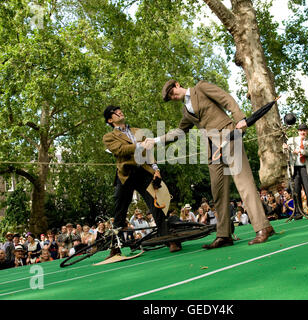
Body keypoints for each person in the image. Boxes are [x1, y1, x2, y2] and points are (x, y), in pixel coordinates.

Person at [147, 79, 275, 249]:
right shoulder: (186, 112)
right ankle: (224, 235)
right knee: (218, 190)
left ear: (177, 85)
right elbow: (179, 132)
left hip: (229, 135)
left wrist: (240, 120)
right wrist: (155, 140)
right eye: (171, 97)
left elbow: (226, 99)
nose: (174, 97)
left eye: (172, 93)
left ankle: (263, 227)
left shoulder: (201, 88)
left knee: (243, 182)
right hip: (212, 148)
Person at [102, 105, 180, 255]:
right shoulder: (109, 137)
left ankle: (169, 239)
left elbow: (149, 152)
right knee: (119, 212)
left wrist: (156, 169)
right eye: (114, 112)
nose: (119, 112)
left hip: (144, 172)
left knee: (157, 205)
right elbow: (120, 150)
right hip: (125, 175)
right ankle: (115, 248)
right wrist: (139, 145)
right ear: (110, 120)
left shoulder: (138, 131)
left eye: (119, 110)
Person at [283, 123, 308, 218]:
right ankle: (298, 212)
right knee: (296, 191)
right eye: (301, 130)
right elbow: (285, 151)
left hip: (305, 167)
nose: (303, 132)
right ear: (298, 131)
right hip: (295, 168)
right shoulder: (291, 140)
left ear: (307, 131)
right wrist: (285, 148)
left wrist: (301, 151)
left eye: (305, 130)